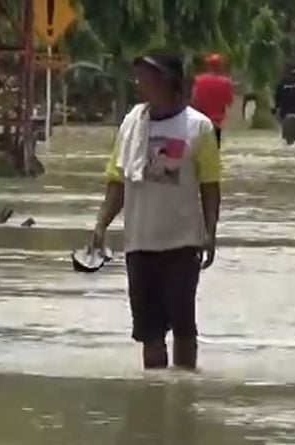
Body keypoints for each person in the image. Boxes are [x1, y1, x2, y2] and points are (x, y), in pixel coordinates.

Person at [91, 53, 221, 370]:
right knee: (149, 332)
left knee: (183, 326)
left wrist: (210, 233)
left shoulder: (198, 128)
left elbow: (210, 186)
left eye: (146, 78)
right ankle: (155, 393)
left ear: (168, 82)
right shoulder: (131, 124)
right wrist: (101, 225)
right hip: (139, 243)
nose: (139, 85)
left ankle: (183, 394)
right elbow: (117, 180)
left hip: (181, 243)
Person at [191, 53, 234, 149]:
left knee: (200, 147)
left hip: (201, 118)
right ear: (220, 66)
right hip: (217, 121)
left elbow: (194, 100)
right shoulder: (226, 82)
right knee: (215, 147)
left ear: (208, 65)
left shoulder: (198, 80)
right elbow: (229, 102)